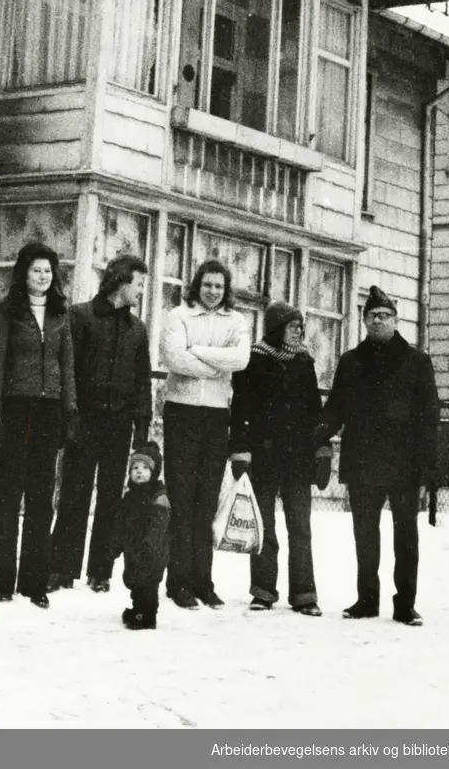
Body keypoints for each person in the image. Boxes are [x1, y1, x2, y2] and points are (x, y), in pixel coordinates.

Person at [315, 286, 439, 627]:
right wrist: (316, 435)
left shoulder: (417, 361)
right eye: (372, 316)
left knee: (406, 536)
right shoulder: (351, 362)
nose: (378, 320)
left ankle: (405, 604)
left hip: (404, 463)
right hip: (363, 462)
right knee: (365, 534)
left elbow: (430, 418)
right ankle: (367, 599)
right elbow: (336, 408)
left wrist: (427, 470)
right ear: (364, 321)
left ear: (396, 320)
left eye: (384, 315)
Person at [49, 253, 153, 594]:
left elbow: (142, 379)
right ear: (121, 282)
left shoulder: (137, 328)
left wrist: (141, 424)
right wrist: (70, 415)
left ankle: (100, 571)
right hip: (85, 420)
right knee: (74, 493)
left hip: (119, 423)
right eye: (138, 284)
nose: (140, 291)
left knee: (111, 497)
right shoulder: (80, 316)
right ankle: (62, 568)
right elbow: (69, 370)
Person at [0, 241, 77, 609]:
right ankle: (0, 580)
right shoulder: (6, 310)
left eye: (48, 271)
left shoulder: (60, 313)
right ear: (23, 273)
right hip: (15, 407)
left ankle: (34, 582)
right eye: (36, 270)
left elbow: (67, 365)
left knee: (42, 499)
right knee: (9, 494)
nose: (43, 277)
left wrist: (69, 409)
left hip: (49, 409)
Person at [229, 302, 330, 617]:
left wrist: (322, 447)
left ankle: (304, 594)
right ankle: (263, 591)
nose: (299, 331)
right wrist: (240, 448)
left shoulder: (304, 361)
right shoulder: (255, 361)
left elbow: (315, 410)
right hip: (263, 456)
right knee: (264, 527)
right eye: (292, 326)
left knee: (300, 527)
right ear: (276, 329)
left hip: (298, 458)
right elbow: (241, 408)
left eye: (301, 326)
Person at [161, 258, 250, 610]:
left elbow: (241, 359)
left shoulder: (237, 320)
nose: (213, 291)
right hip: (181, 412)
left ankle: (203, 581)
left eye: (219, 286)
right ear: (197, 285)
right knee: (182, 498)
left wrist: (196, 351)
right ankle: (178, 581)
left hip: (216, 417)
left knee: (206, 500)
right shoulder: (178, 316)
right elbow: (174, 359)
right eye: (208, 284)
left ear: (226, 290)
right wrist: (217, 364)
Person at [112, 443, 170, 630]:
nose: (139, 472)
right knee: (136, 582)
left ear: (154, 472)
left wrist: (149, 547)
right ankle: (138, 609)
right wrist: (115, 546)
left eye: (145, 468)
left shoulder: (159, 496)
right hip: (134, 549)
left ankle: (147, 615)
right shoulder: (129, 497)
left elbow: (158, 525)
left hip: (153, 550)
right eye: (135, 468)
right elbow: (120, 524)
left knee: (148, 584)